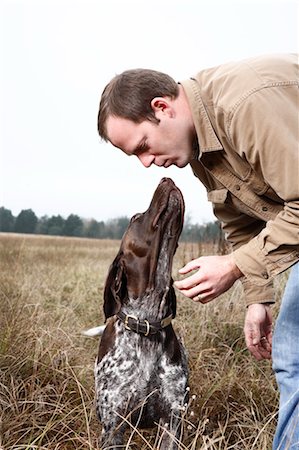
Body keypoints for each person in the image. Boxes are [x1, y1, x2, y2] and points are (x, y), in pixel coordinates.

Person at [97, 54, 299, 449]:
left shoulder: (244, 106)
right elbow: (240, 222)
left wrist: (233, 266)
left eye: (142, 146)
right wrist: (257, 299)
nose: (147, 163)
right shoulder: (202, 147)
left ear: (162, 107)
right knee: (292, 356)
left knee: (294, 356)